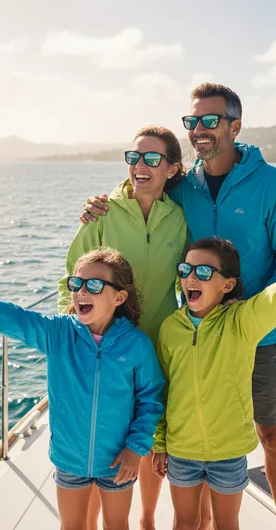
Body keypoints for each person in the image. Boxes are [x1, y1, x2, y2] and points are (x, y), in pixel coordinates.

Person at [81, 83, 276, 530]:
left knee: (272, 435)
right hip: (193, 339)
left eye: (210, 120)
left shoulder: (275, 185)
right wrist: (101, 202)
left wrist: (258, 307)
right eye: (191, 121)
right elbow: (144, 184)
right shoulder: (182, 186)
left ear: (235, 125)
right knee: (197, 437)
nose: (199, 130)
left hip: (259, 334)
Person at [0, 247, 164, 530]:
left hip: (118, 459)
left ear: (119, 296)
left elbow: (150, 400)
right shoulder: (58, 333)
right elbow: (17, 319)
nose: (82, 292)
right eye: (76, 284)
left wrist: (135, 448)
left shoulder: (136, 345)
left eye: (95, 285)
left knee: (116, 524)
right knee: (71, 525)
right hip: (69, 458)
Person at [58, 126, 210, 530]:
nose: (139, 165)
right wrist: (79, 331)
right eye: (134, 156)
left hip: (157, 342)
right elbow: (69, 278)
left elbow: (190, 279)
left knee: (148, 435)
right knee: (101, 440)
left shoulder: (180, 219)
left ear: (173, 168)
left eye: (152, 159)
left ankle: (145, 519)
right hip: (103, 345)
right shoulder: (103, 212)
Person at [152, 237, 276, 530]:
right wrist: (160, 444)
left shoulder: (241, 322)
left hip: (228, 452)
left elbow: (271, 302)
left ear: (227, 285)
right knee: (184, 522)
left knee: (227, 523)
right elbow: (163, 390)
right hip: (181, 450)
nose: (191, 277)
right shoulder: (171, 328)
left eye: (204, 272)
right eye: (185, 270)